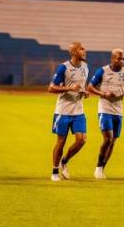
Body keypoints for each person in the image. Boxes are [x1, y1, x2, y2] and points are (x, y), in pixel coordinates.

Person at [87, 48, 124, 179]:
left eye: (123, 58)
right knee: (107, 139)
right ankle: (98, 167)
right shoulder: (103, 71)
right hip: (105, 109)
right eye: (119, 58)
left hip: (118, 112)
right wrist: (104, 94)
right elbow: (90, 87)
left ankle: (102, 168)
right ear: (112, 58)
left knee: (113, 142)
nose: (122, 61)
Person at [48, 42, 89, 181]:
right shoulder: (63, 68)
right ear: (73, 52)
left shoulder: (85, 67)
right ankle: (54, 171)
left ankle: (64, 161)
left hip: (78, 111)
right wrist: (70, 88)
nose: (85, 51)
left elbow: (80, 87)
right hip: (63, 111)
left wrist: (84, 92)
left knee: (81, 140)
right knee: (61, 141)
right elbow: (51, 88)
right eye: (81, 49)